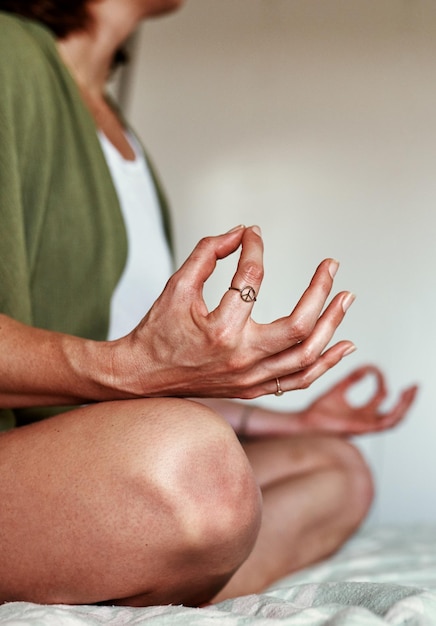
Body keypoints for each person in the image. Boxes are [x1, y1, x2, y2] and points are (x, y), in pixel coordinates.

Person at [0, 0, 417, 609]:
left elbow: (138, 365)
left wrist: (281, 416)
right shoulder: (9, 51)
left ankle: (130, 580)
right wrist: (126, 369)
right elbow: (124, 370)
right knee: (197, 464)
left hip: (77, 444)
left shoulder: (120, 133)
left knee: (338, 472)